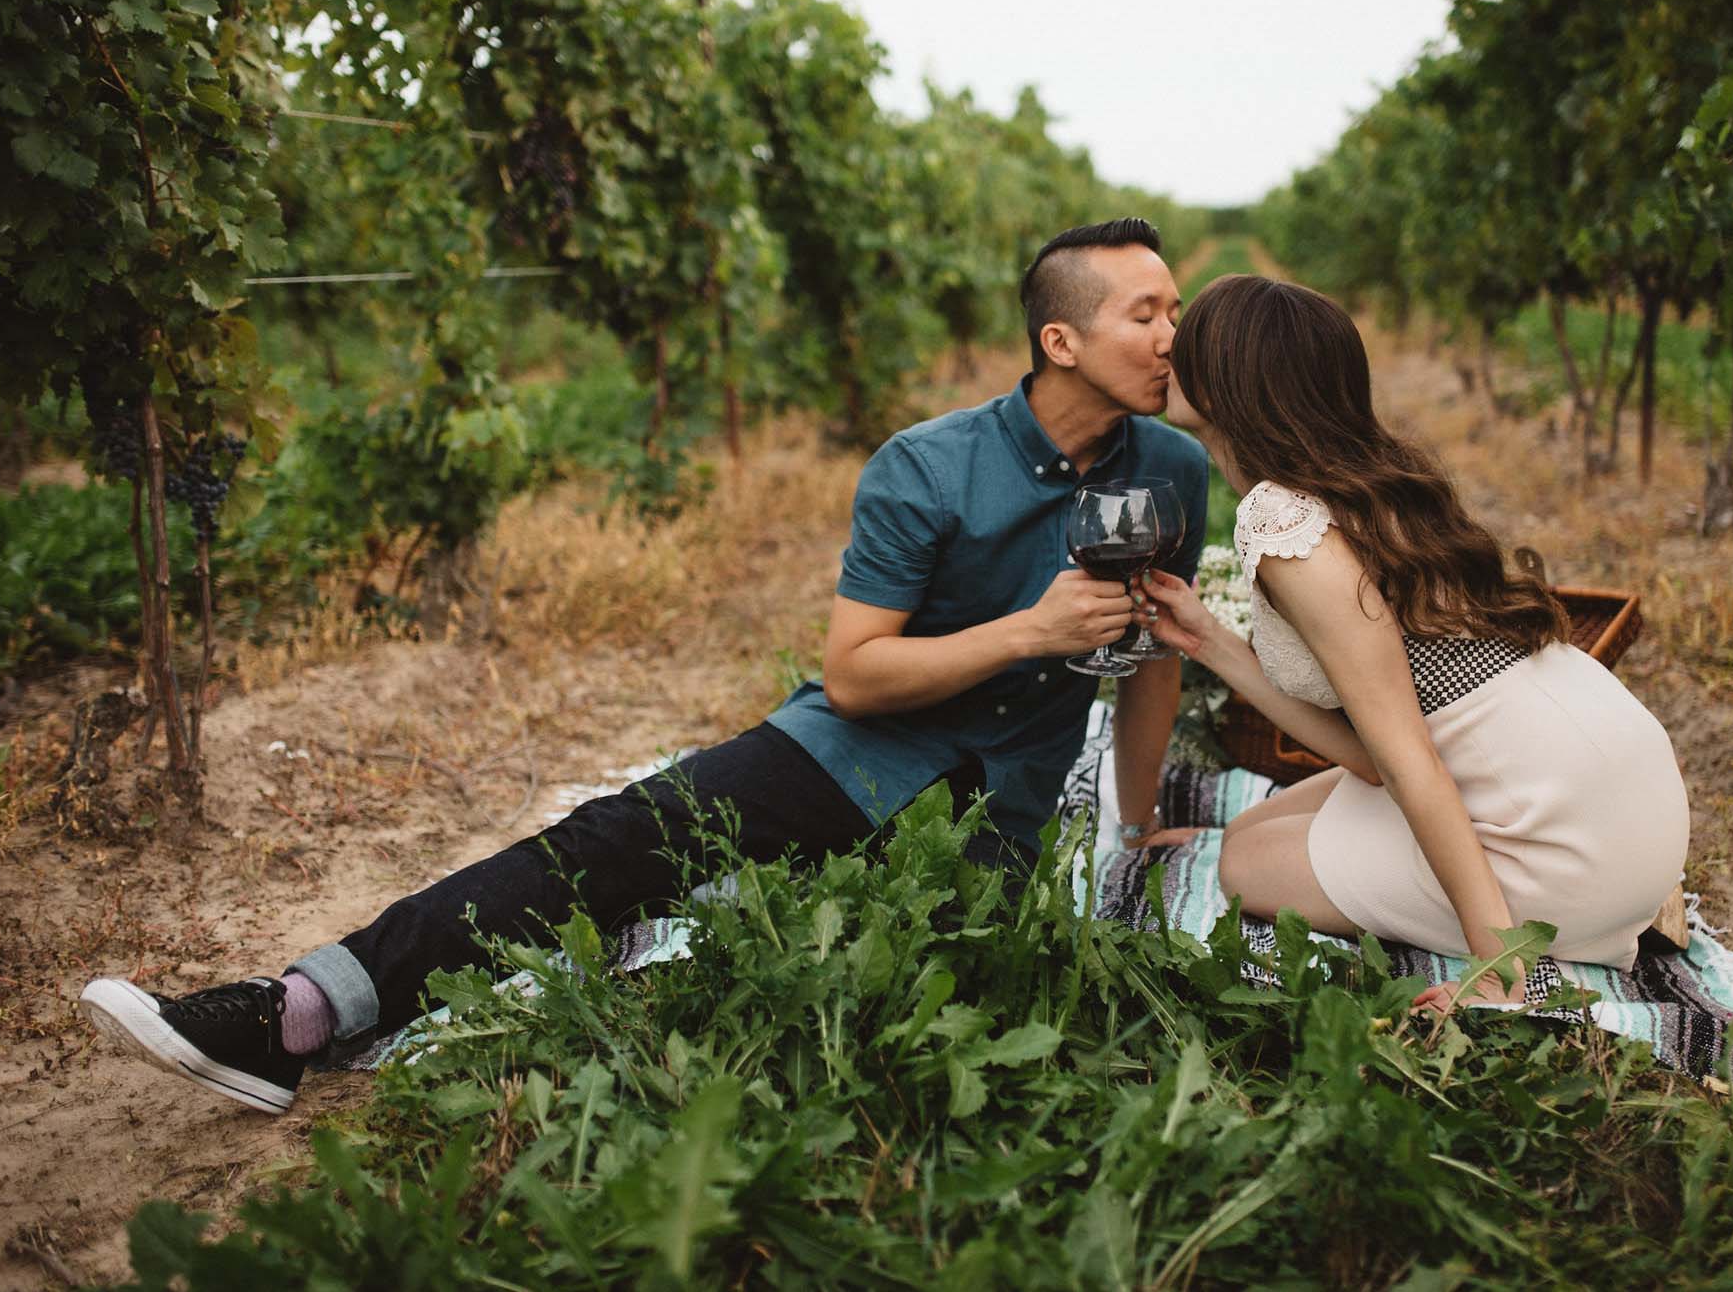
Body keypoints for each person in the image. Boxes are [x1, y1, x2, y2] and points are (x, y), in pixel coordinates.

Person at [81, 218, 1207, 1113]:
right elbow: (858, 676)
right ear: (1060, 340)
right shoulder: (924, 465)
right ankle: (296, 1012)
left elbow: (1154, 650)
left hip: (1000, 804)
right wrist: (1028, 631)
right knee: (619, 841)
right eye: (1144, 313)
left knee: (898, 983)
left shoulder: (1171, 466)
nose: (1171, 335)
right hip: (856, 745)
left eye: (1174, 310)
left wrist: (1139, 810)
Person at [1139, 275, 1687, 1007]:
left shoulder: (1279, 519)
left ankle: (1532, 936)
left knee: (1242, 859)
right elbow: (1374, 755)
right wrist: (1207, 639)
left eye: (1191, 336)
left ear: (1233, 379)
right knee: (1255, 825)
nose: (1169, 348)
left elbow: (1408, 762)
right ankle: (1616, 885)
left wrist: (1496, 974)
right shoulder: (1368, 483)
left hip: (1563, 836)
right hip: (1616, 779)